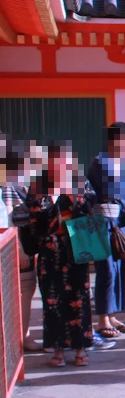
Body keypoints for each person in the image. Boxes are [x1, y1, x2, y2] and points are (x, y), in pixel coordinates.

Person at [20, 144, 95, 367]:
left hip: (76, 250)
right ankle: (58, 350)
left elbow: (91, 209)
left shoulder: (79, 182)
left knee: (79, 300)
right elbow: (35, 224)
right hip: (50, 253)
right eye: (55, 160)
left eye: (65, 160)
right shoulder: (39, 187)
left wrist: (76, 201)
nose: (61, 165)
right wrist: (51, 203)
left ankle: (81, 349)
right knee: (52, 301)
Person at [86, 122, 125, 336]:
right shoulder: (99, 162)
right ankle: (102, 319)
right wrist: (118, 198)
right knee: (106, 270)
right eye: (122, 140)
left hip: (119, 223)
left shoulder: (124, 166)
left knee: (121, 269)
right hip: (101, 223)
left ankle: (113, 315)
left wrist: (122, 204)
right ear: (113, 140)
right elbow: (107, 191)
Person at [2, 139, 43, 352]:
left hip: (27, 244)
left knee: (27, 290)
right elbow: (8, 217)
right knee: (23, 291)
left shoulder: (21, 182)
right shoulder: (9, 184)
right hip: (18, 247)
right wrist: (18, 247)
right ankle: (22, 338)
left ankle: (23, 335)